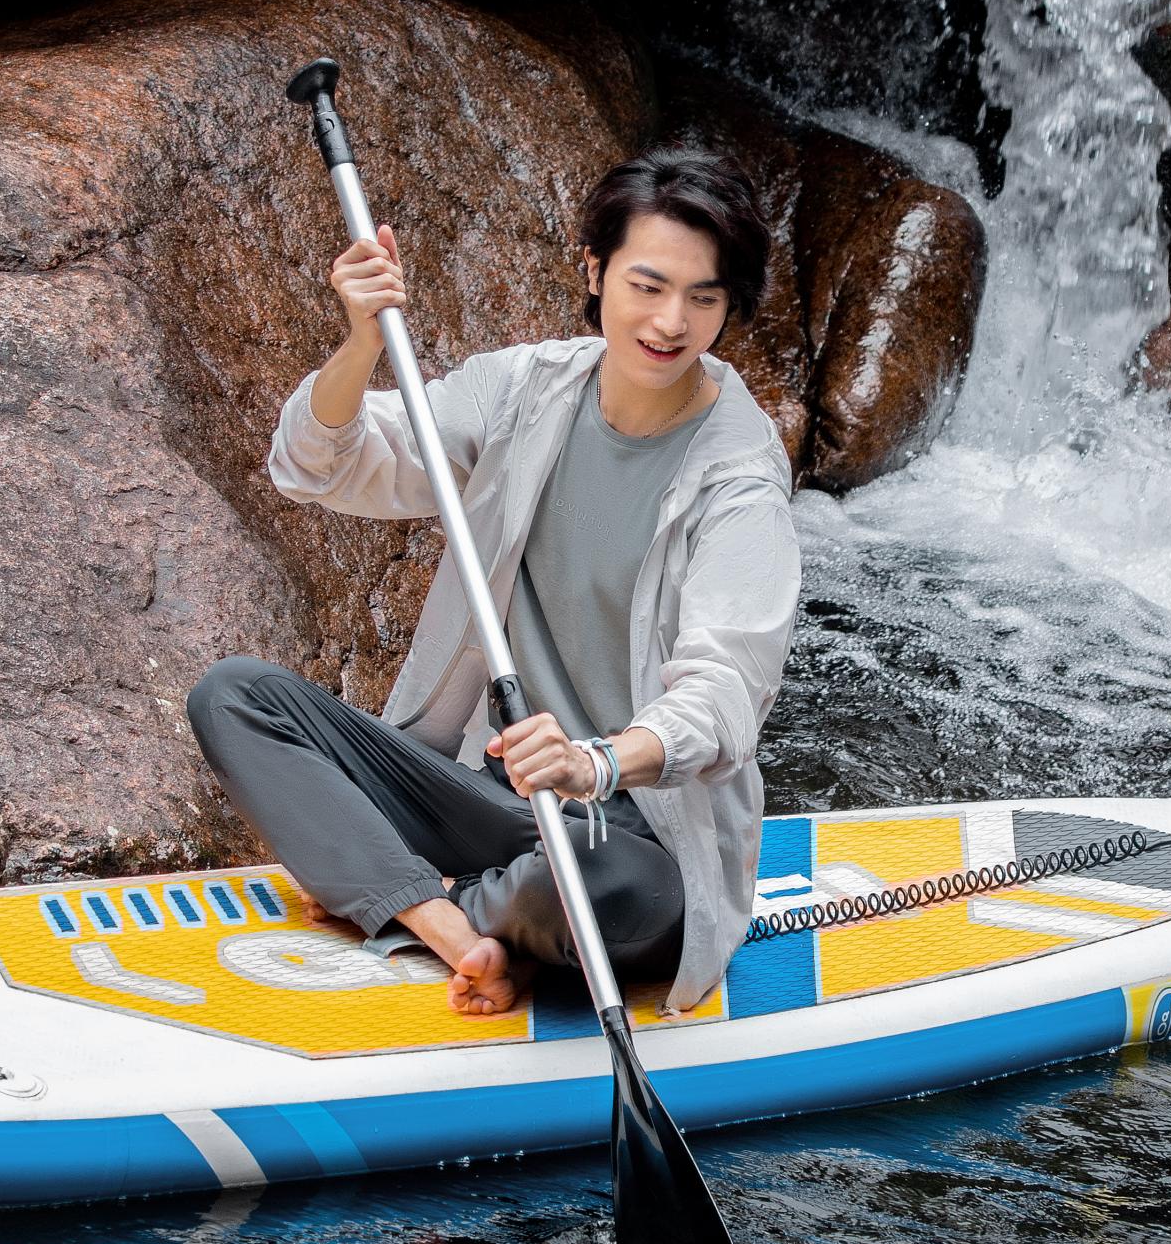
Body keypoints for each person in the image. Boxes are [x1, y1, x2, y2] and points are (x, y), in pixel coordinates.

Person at [186, 145, 802, 1021]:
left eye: (704, 298)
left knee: (610, 886)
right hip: (490, 800)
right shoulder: (525, 390)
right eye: (648, 285)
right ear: (595, 270)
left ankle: (405, 891)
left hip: (626, 830)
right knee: (235, 696)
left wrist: (593, 762)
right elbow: (320, 466)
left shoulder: (739, 477)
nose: (671, 322)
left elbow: (725, 697)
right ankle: (453, 925)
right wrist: (361, 345)